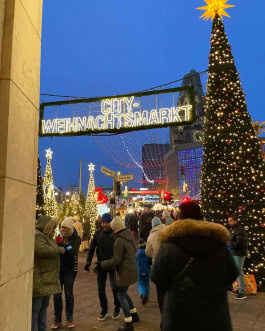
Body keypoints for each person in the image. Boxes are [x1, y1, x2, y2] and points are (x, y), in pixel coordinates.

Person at [151, 201, 239, 331]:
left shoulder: (168, 247)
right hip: (215, 318)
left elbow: (158, 278)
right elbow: (232, 274)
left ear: (179, 218)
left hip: (179, 318)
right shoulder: (219, 245)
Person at [96, 216, 140, 331]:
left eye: (113, 229)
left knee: (120, 294)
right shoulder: (128, 235)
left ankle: (128, 323)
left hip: (124, 271)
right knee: (124, 293)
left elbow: (116, 260)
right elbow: (135, 250)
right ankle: (134, 314)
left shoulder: (119, 240)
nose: (112, 231)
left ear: (116, 228)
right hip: (131, 269)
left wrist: (101, 264)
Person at [84, 213, 121, 321]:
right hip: (100, 264)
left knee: (114, 288)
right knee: (100, 289)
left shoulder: (114, 234)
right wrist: (88, 261)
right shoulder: (98, 232)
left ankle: (117, 308)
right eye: (103, 223)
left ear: (110, 223)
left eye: (107, 223)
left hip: (112, 264)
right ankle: (104, 310)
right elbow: (91, 248)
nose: (104, 225)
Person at [32, 215, 66, 331]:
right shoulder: (37, 236)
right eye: (52, 227)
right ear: (45, 226)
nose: (53, 229)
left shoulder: (47, 237)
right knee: (36, 308)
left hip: (48, 277)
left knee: (44, 307)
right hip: (41, 278)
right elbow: (43, 250)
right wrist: (61, 250)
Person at [51, 217, 81, 329]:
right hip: (59, 268)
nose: (63, 229)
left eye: (65, 227)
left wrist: (63, 244)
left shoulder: (76, 238)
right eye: (62, 227)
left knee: (68, 294)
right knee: (57, 294)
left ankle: (69, 318)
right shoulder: (60, 236)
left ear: (69, 228)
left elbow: (73, 252)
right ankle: (57, 319)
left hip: (70, 270)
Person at [228, 215, 248, 299]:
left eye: (230, 221)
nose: (229, 223)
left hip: (239, 253)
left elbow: (241, 243)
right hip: (235, 252)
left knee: (239, 272)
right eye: (228, 221)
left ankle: (242, 292)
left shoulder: (239, 229)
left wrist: (230, 244)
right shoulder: (234, 229)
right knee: (237, 271)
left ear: (235, 221)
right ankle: (240, 289)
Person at [136, 239, 152, 305]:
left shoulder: (137, 253)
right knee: (146, 283)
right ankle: (147, 296)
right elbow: (150, 262)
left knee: (140, 283)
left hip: (140, 270)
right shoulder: (147, 253)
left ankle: (142, 294)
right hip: (147, 270)